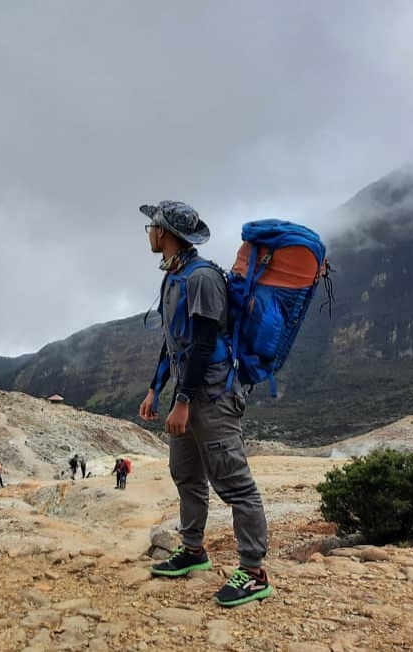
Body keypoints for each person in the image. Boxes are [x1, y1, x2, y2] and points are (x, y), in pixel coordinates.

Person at [137, 201, 272, 608]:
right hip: (189, 387)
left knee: (233, 482)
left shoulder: (203, 278)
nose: (148, 233)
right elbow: (173, 341)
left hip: (211, 392)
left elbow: (203, 344)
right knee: (186, 473)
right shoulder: (175, 275)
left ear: (165, 232)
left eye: (151, 226)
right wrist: (154, 389)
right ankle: (193, 550)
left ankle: (253, 572)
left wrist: (182, 401)